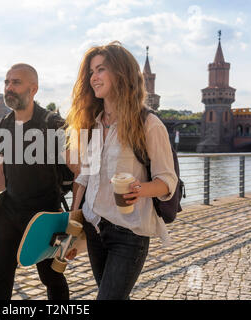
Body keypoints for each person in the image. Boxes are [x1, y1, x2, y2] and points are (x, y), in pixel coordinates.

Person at [66, 41, 178, 300]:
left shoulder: (149, 124)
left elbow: (167, 181)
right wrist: (74, 224)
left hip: (129, 233)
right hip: (95, 229)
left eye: (101, 69)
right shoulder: (93, 125)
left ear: (122, 74)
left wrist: (139, 189)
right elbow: (85, 176)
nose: (94, 77)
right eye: (91, 72)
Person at [0, 63, 78, 300]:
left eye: (16, 82)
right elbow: (3, 171)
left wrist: (73, 223)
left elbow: (80, 173)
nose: (9, 87)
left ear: (33, 89)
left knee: (52, 278)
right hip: (8, 215)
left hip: (44, 218)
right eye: (6, 82)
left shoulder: (54, 124)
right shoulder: (5, 123)